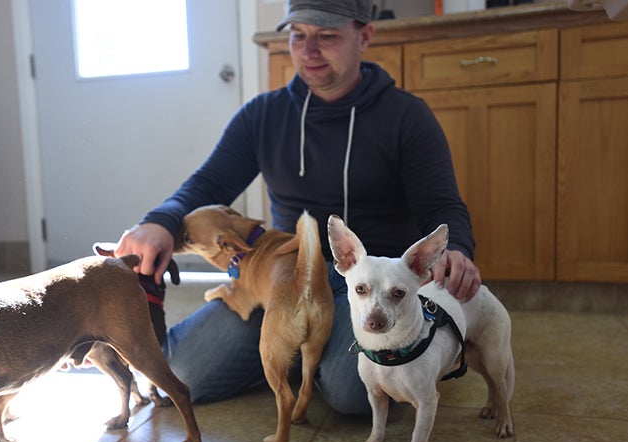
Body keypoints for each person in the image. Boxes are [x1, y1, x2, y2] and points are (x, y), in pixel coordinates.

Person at [114, 0, 481, 415]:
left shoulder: (407, 116)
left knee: (353, 393)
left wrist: (459, 249)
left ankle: (310, 355)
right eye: (298, 35)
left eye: (326, 36)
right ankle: (298, 352)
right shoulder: (263, 115)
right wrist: (160, 221)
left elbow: (443, 205)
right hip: (284, 278)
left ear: (364, 37)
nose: (308, 50)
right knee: (179, 375)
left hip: (370, 285)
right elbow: (207, 184)